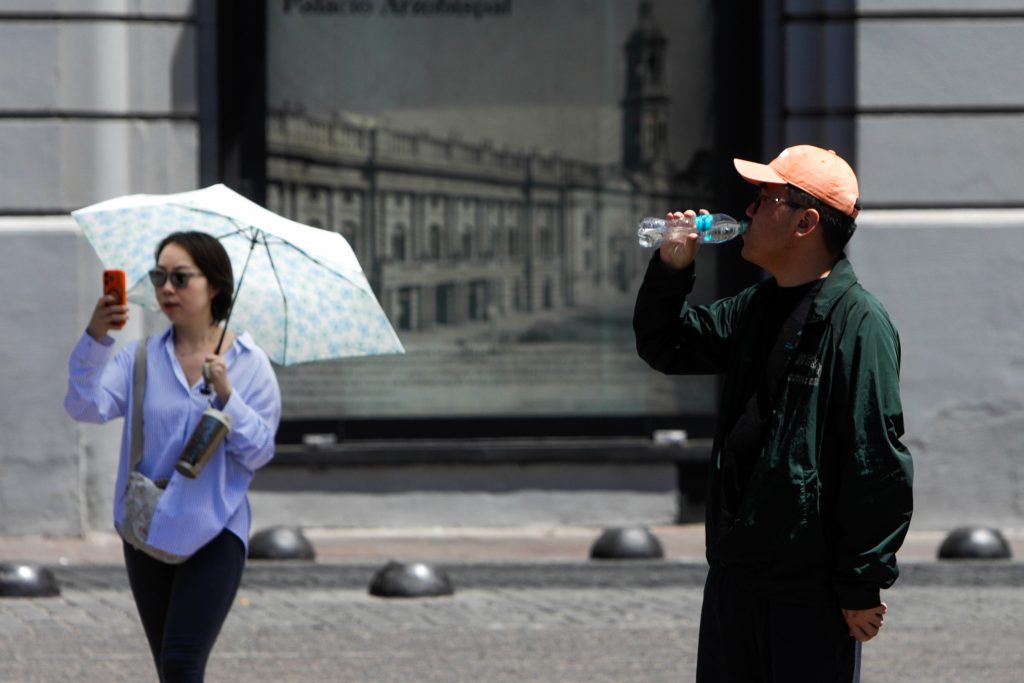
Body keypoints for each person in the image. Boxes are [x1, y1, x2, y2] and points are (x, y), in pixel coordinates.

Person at [633, 145, 913, 682]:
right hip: (736, 574)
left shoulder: (858, 323)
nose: (749, 210)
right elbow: (667, 346)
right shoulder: (757, 307)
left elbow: (875, 458)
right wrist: (672, 269)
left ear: (806, 223)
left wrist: (861, 583)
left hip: (808, 590)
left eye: (766, 199)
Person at [64, 231, 281, 682]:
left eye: (181, 278)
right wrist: (96, 336)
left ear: (214, 286)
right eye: (158, 276)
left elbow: (259, 452)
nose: (166, 288)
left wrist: (228, 395)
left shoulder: (248, 363)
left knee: (182, 662)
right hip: (148, 525)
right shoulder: (140, 358)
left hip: (215, 525)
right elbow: (85, 407)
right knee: (169, 666)